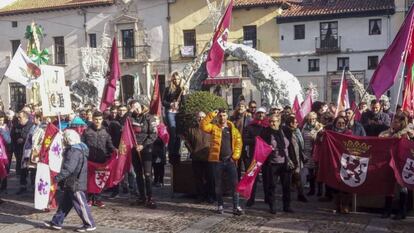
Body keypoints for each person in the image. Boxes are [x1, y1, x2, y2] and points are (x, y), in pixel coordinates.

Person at [44, 129, 96, 232]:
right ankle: (56, 222)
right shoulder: (76, 148)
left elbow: (69, 168)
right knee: (65, 204)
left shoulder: (74, 151)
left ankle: (90, 224)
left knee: (81, 204)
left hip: (75, 182)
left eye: (64, 138)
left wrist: (56, 178)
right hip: (71, 182)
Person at [200, 108, 243, 215]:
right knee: (218, 185)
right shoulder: (214, 128)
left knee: (234, 185)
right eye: (220, 115)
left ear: (227, 116)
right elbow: (203, 125)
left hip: (230, 161)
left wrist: (235, 156)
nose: (222, 117)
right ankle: (220, 205)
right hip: (217, 161)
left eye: (224, 115)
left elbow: (239, 143)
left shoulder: (233, 129)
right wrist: (212, 114)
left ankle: (236, 206)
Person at [380, 113, 414, 220]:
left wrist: (408, 136)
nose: (394, 123)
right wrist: (389, 135)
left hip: (402, 163)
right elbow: (380, 138)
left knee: (402, 188)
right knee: (388, 186)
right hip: (389, 162)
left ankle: (402, 211)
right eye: (393, 121)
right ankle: (387, 210)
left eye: (396, 121)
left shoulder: (407, 133)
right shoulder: (388, 132)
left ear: (401, 123)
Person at [82, 111, 116, 208]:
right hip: (89, 160)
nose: (98, 121)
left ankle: (98, 199)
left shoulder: (105, 131)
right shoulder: (87, 131)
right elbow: (82, 144)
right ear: (92, 119)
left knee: (99, 180)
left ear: (102, 120)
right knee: (89, 180)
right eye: (96, 119)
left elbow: (109, 145)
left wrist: (115, 150)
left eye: (100, 119)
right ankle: (89, 199)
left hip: (101, 160)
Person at [261, 115, 293, 214]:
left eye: (275, 121)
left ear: (279, 122)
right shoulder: (265, 132)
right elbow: (261, 146)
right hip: (272, 163)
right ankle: (272, 206)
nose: (273, 123)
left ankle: (286, 206)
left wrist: (292, 159)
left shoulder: (284, 131)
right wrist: (268, 148)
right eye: (271, 121)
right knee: (272, 185)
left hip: (284, 162)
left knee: (286, 186)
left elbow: (289, 146)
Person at [130, 102, 157, 208]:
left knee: (147, 174)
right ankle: (142, 196)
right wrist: (129, 112)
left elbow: (154, 134)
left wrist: (143, 145)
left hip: (146, 148)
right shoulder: (130, 118)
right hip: (134, 148)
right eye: (133, 107)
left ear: (142, 107)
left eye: (137, 107)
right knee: (138, 173)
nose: (135, 109)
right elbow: (125, 128)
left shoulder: (149, 117)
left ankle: (150, 197)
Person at [183, 111, 214, 203]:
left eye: (203, 117)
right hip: (196, 158)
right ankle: (200, 196)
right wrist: (192, 152)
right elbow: (187, 142)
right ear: (196, 118)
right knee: (198, 178)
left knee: (210, 178)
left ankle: (210, 196)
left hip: (209, 157)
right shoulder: (191, 129)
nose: (201, 119)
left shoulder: (211, 129)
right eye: (199, 117)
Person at [243, 107, 268, 206]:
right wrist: (256, 141)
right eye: (259, 113)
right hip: (254, 156)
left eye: (263, 113)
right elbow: (244, 140)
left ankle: (268, 198)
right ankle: (250, 199)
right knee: (252, 179)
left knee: (267, 178)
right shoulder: (250, 127)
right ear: (255, 115)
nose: (261, 115)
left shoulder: (268, 126)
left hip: (266, 156)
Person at [282, 115, 307, 203]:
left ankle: (300, 195)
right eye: (295, 122)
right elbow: (288, 147)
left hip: (297, 158)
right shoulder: (287, 132)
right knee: (290, 179)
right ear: (291, 124)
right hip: (290, 159)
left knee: (297, 177)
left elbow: (298, 146)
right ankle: (289, 198)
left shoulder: (295, 132)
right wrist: (290, 159)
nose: (297, 124)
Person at [162, 71, 184, 165]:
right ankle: (171, 154)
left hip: (179, 113)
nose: (176, 80)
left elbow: (185, 102)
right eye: (174, 79)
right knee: (173, 132)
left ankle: (177, 155)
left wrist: (184, 93)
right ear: (172, 79)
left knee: (178, 135)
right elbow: (163, 102)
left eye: (178, 78)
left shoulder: (182, 89)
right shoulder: (168, 89)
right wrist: (170, 104)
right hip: (170, 113)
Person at [11, 111, 34, 195]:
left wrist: (24, 140)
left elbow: (33, 138)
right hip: (20, 151)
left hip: (30, 152)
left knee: (32, 170)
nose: (18, 119)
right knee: (23, 170)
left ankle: (34, 186)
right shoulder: (16, 125)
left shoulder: (31, 126)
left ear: (25, 117)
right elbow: (12, 135)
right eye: (18, 117)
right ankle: (22, 186)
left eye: (20, 117)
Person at [301, 112, 323, 196]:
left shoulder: (319, 127)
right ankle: (312, 189)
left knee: (318, 171)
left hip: (316, 152)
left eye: (313, 118)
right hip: (307, 152)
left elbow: (322, 140)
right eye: (310, 118)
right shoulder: (304, 127)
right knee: (310, 172)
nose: (312, 120)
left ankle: (320, 191)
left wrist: (317, 137)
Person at [230, 101, 252, 179]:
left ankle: (248, 183)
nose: (240, 107)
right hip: (236, 144)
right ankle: (237, 182)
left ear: (245, 108)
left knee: (247, 165)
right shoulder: (233, 118)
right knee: (236, 165)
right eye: (239, 106)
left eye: (242, 106)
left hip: (245, 144)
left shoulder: (248, 118)